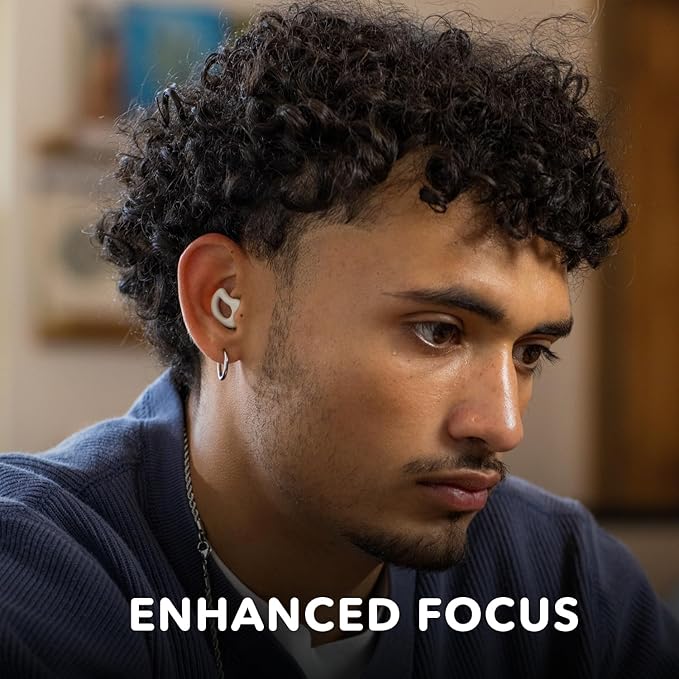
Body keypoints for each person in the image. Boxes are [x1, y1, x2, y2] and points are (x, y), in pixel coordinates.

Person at [1, 2, 678, 678]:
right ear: (222, 302)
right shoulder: (33, 577)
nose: (503, 426)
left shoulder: (563, 577)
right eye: (437, 332)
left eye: (529, 352)